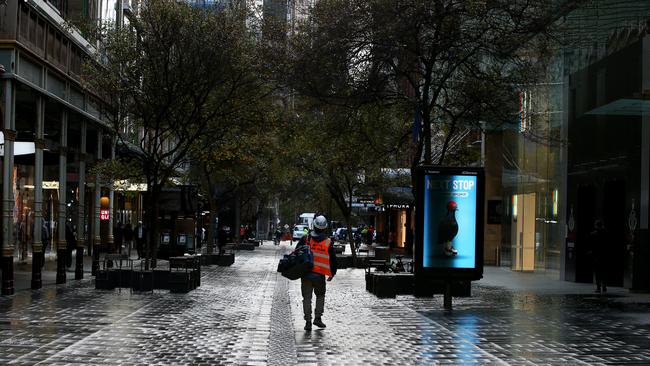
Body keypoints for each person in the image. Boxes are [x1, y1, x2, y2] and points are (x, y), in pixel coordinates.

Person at [296, 215, 337, 331]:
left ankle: (308, 321)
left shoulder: (306, 238)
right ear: (325, 228)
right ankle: (317, 318)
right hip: (320, 275)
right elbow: (333, 259)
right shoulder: (328, 242)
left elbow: (296, 252)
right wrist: (332, 273)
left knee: (307, 298)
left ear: (314, 225)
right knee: (320, 296)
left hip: (306, 274)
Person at [589, 219, 607, 293]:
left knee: (597, 272)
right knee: (603, 271)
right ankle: (604, 285)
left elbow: (592, 246)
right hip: (604, 255)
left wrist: (591, 252)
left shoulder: (593, 234)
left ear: (596, 226)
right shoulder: (606, 233)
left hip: (596, 256)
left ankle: (598, 287)